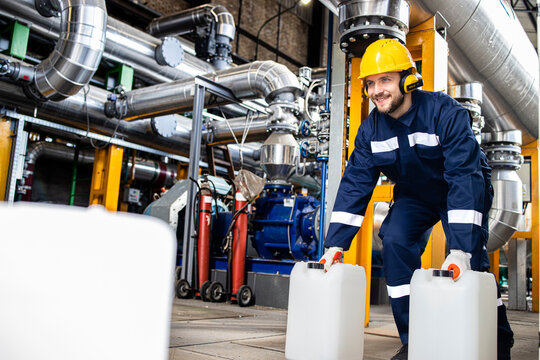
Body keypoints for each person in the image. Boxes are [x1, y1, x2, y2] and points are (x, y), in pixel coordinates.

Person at [319, 38, 514, 360]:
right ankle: (416, 340)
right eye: (370, 83)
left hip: (462, 190)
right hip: (415, 194)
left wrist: (461, 248)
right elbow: (355, 185)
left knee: (473, 266)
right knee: (395, 240)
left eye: (385, 80)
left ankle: (497, 339)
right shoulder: (370, 132)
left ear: (408, 79)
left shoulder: (444, 113)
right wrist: (334, 246)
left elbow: (464, 176)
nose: (377, 90)